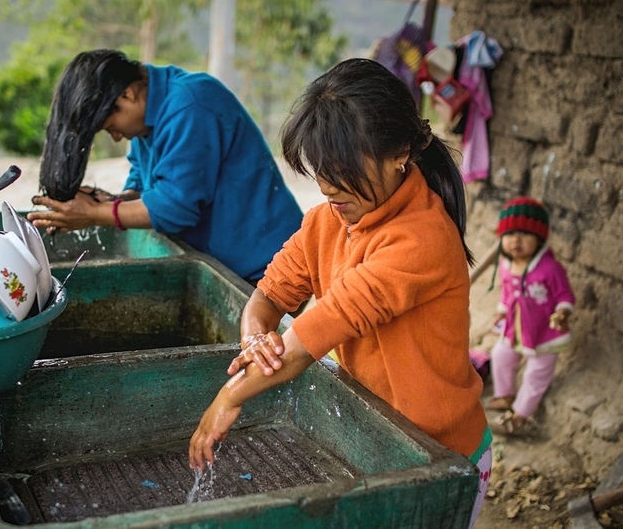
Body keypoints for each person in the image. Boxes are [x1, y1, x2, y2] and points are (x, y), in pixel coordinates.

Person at [187, 58, 492, 527]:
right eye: (321, 168)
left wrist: (229, 397)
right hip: (376, 436)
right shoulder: (327, 220)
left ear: (399, 154)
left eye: (343, 168)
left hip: (441, 454)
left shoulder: (421, 239)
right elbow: (267, 298)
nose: (327, 185)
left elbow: (319, 330)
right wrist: (256, 343)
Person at [27, 49, 303, 283]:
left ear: (128, 93)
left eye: (111, 126)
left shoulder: (190, 106)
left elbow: (176, 210)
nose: (116, 136)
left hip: (267, 263)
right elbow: (145, 180)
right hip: (227, 259)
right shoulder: (148, 117)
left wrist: (95, 213)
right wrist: (115, 201)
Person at [486, 197, 575, 436]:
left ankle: (521, 414)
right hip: (515, 326)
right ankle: (505, 395)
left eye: (525, 234)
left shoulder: (550, 269)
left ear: (539, 238)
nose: (516, 240)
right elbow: (506, 293)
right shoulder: (506, 264)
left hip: (544, 331)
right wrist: (501, 311)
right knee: (501, 354)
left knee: (537, 372)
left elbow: (564, 295)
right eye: (510, 233)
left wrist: (562, 311)